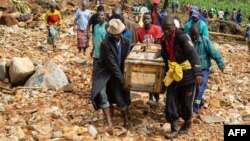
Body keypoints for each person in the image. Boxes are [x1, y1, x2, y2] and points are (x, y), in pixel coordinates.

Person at [160, 16, 203, 139]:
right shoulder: (163, 39)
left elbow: (192, 53)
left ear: (174, 27)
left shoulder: (182, 37)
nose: (167, 32)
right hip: (173, 73)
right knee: (170, 101)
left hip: (187, 73)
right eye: (164, 29)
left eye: (168, 29)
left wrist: (198, 72)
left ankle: (187, 122)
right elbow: (165, 55)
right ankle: (174, 128)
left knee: (186, 103)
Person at [90, 19, 131, 131]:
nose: (118, 36)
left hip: (118, 71)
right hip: (103, 72)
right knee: (102, 94)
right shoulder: (105, 44)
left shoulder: (126, 41)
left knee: (119, 95)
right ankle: (109, 123)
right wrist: (123, 81)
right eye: (115, 34)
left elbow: (127, 59)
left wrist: (125, 77)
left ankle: (126, 119)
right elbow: (112, 65)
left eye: (119, 33)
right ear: (111, 34)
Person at [189, 24, 225, 114]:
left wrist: (220, 63)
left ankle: (195, 107)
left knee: (201, 87)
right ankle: (199, 102)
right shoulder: (188, 41)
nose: (194, 37)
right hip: (191, 69)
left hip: (204, 69)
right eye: (192, 34)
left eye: (195, 35)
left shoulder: (205, 41)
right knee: (193, 88)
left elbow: (214, 52)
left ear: (199, 33)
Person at [137, 12, 162, 106]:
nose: (146, 20)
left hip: (156, 57)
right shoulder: (140, 31)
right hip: (146, 57)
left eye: (148, 19)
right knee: (148, 78)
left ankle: (157, 98)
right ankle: (151, 98)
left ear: (151, 20)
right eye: (144, 19)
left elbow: (158, 43)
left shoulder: (157, 29)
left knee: (156, 79)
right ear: (142, 20)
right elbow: (140, 45)